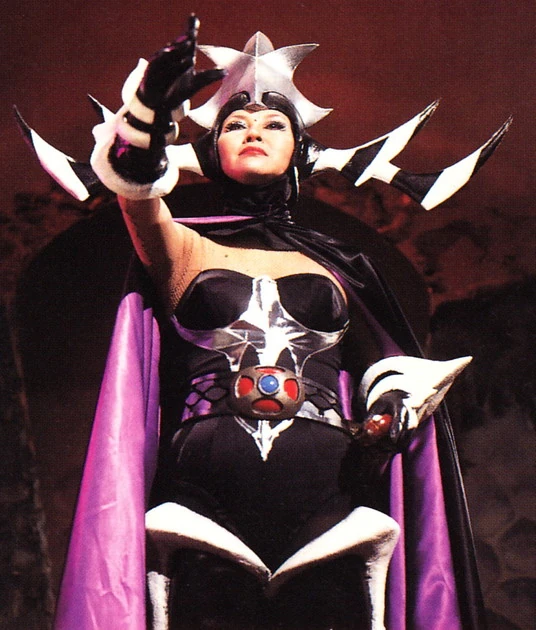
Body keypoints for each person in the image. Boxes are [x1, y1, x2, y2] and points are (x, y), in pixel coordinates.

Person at [18, 16, 509, 630]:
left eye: (274, 123)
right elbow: (137, 195)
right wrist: (144, 119)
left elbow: (381, 363)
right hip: (200, 510)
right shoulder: (184, 250)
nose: (253, 130)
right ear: (210, 152)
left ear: (299, 150)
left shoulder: (338, 266)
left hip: (331, 507)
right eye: (234, 125)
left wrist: (391, 407)